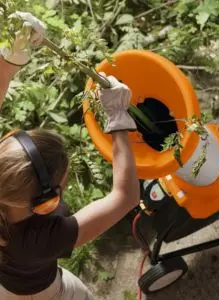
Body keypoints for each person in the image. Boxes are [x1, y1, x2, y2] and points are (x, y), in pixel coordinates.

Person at [0, 11, 140, 300]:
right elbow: (125, 196)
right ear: (45, 202)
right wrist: (118, 117)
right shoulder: (42, 239)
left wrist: (11, 56)